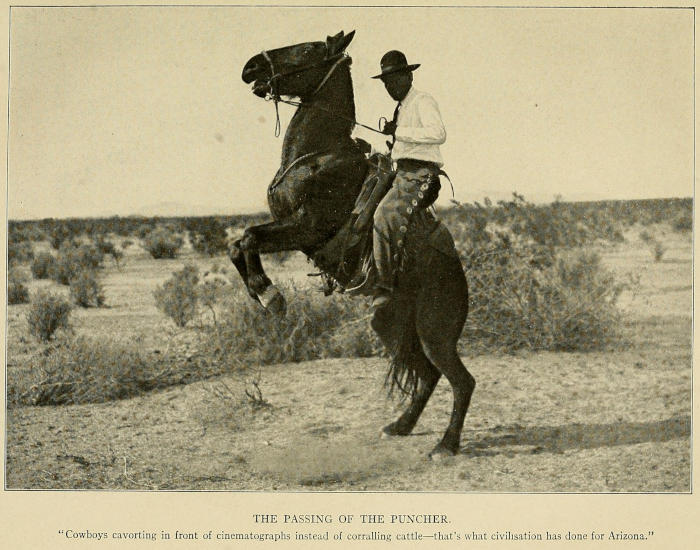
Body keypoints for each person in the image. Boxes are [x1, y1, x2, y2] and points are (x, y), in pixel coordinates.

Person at [371, 50, 447, 308]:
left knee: (383, 216)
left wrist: (399, 131)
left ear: (409, 76)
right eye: (386, 82)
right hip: (403, 173)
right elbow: (402, 149)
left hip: (422, 175)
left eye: (394, 80)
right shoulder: (401, 108)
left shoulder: (423, 101)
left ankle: (384, 285)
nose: (390, 86)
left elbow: (438, 134)